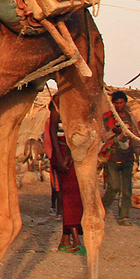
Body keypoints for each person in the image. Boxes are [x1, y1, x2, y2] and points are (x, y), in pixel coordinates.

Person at [46, 100, 84, 253]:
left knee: (77, 195)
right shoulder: (58, 103)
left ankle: (65, 240)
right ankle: (76, 240)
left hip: (75, 152)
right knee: (69, 196)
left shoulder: (76, 102)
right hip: (62, 153)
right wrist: (61, 157)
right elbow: (53, 131)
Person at [101, 90, 138, 225]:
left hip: (128, 156)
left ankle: (124, 216)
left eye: (121, 103)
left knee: (127, 188)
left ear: (125, 103)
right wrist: (113, 132)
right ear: (113, 104)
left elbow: (135, 136)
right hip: (112, 156)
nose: (119, 105)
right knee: (114, 187)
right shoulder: (106, 117)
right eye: (116, 103)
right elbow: (103, 136)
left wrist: (138, 155)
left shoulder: (131, 117)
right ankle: (102, 210)